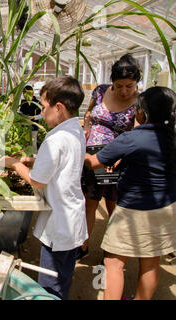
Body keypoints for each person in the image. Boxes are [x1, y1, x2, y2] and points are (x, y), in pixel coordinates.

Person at [0, 76, 87, 300]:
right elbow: (62, 162)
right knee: (63, 278)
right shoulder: (75, 130)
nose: (41, 112)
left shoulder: (55, 139)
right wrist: (35, 159)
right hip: (72, 218)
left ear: (58, 108)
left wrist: (15, 164)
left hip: (60, 225)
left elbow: (37, 182)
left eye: (44, 107)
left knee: (49, 286)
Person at [84, 86, 176, 300]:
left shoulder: (133, 138)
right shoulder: (170, 138)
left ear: (141, 113)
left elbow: (94, 162)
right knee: (151, 261)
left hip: (134, 210)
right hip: (167, 209)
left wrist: (80, 152)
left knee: (113, 262)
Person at [80, 53, 141, 259]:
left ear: (136, 84)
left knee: (114, 204)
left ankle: (113, 250)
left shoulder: (140, 103)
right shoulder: (99, 92)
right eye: (119, 85)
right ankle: (83, 245)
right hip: (92, 158)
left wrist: (120, 157)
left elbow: (138, 133)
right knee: (90, 201)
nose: (124, 90)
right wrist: (86, 131)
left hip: (118, 160)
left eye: (129, 86)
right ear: (112, 82)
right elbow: (89, 114)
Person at [19, 85, 41, 153]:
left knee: (33, 143)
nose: (25, 95)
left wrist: (34, 117)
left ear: (32, 93)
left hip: (34, 127)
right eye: (24, 93)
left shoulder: (37, 102)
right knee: (25, 144)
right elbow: (21, 111)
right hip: (24, 127)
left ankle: (34, 159)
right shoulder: (23, 102)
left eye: (27, 93)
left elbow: (42, 115)